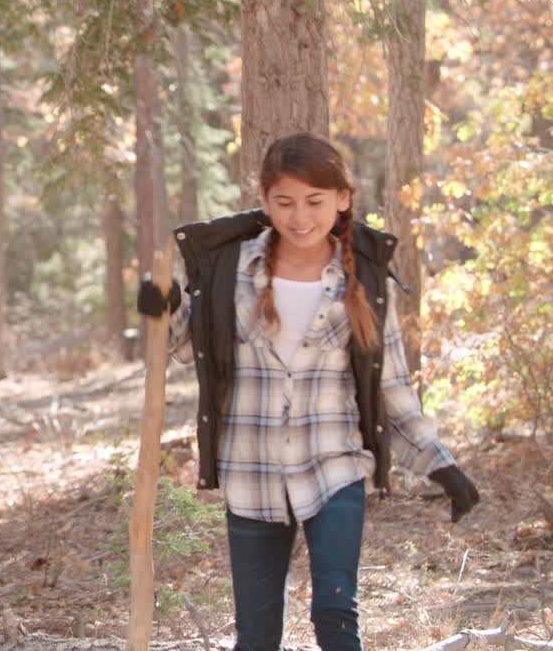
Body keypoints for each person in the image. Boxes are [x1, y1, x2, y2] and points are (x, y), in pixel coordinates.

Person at [138, 132, 481, 651]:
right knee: (256, 635)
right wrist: (161, 309)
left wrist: (441, 464)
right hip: (251, 471)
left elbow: (393, 389)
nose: (300, 217)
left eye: (315, 201)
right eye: (285, 202)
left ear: (342, 199)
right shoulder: (233, 270)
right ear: (265, 200)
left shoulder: (362, 278)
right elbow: (186, 345)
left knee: (336, 614)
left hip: (334, 466)